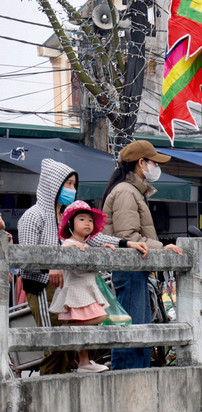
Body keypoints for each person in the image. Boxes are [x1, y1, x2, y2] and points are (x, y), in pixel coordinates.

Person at [18, 157, 124, 374]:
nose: (72, 189)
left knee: (68, 344)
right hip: (42, 286)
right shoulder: (33, 216)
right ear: (52, 184)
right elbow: (24, 258)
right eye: (68, 184)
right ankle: (48, 391)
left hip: (65, 287)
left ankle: (64, 386)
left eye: (74, 184)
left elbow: (94, 238)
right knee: (56, 344)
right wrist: (50, 266)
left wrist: (126, 243)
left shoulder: (63, 218)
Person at [101, 140, 184, 371]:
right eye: (154, 162)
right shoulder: (126, 193)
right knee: (133, 337)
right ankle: (125, 385)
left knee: (139, 335)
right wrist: (160, 247)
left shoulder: (131, 191)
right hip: (129, 271)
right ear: (141, 163)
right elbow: (128, 237)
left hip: (135, 272)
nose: (157, 167)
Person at [51, 201, 149, 372]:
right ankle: (64, 331)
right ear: (70, 223)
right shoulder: (68, 243)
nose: (87, 223)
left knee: (86, 327)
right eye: (81, 219)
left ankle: (84, 362)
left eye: (90, 220)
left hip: (86, 290)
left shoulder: (86, 245)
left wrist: (101, 250)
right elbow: (65, 248)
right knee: (99, 317)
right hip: (77, 290)